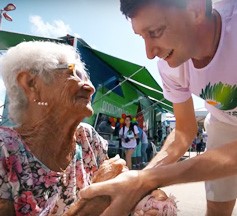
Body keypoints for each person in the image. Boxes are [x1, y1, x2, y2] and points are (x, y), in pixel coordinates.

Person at [80, 0, 237, 215]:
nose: (150, 53)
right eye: (142, 37)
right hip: (224, 124)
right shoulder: (171, 65)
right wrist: (138, 181)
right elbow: (184, 130)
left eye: (155, 32)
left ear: (196, 9)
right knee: (218, 206)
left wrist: (151, 179)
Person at [0, 41, 111, 215]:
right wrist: (92, 206)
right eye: (74, 73)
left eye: (86, 77)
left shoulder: (88, 138)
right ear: (31, 84)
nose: (91, 88)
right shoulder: (4, 151)